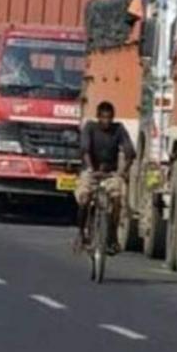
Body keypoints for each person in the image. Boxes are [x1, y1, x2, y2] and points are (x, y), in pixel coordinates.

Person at [74, 100, 135, 254]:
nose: (106, 121)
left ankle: (113, 235)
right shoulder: (90, 128)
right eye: (103, 118)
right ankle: (81, 233)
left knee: (117, 198)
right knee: (84, 197)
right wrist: (90, 168)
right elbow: (85, 149)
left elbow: (130, 152)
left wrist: (122, 172)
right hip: (91, 171)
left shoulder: (119, 129)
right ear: (98, 117)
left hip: (110, 173)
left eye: (109, 118)